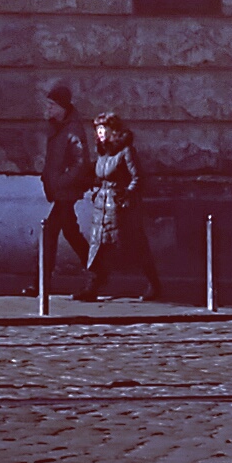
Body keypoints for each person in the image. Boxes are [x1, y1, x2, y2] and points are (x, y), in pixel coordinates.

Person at [78, 112, 161, 301]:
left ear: (112, 130)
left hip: (120, 208)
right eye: (97, 129)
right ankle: (93, 286)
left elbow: (137, 177)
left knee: (135, 246)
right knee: (97, 246)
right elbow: (99, 175)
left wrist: (126, 195)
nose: (99, 132)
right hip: (101, 207)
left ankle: (154, 284)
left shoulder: (126, 151)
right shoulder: (102, 152)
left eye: (103, 128)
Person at [38, 83, 96, 289]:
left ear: (62, 107)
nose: (48, 108)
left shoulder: (73, 130)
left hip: (67, 191)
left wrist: (60, 181)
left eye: (52, 105)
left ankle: (43, 282)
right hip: (61, 190)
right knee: (70, 232)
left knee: (50, 232)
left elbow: (80, 163)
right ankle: (98, 269)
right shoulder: (58, 127)